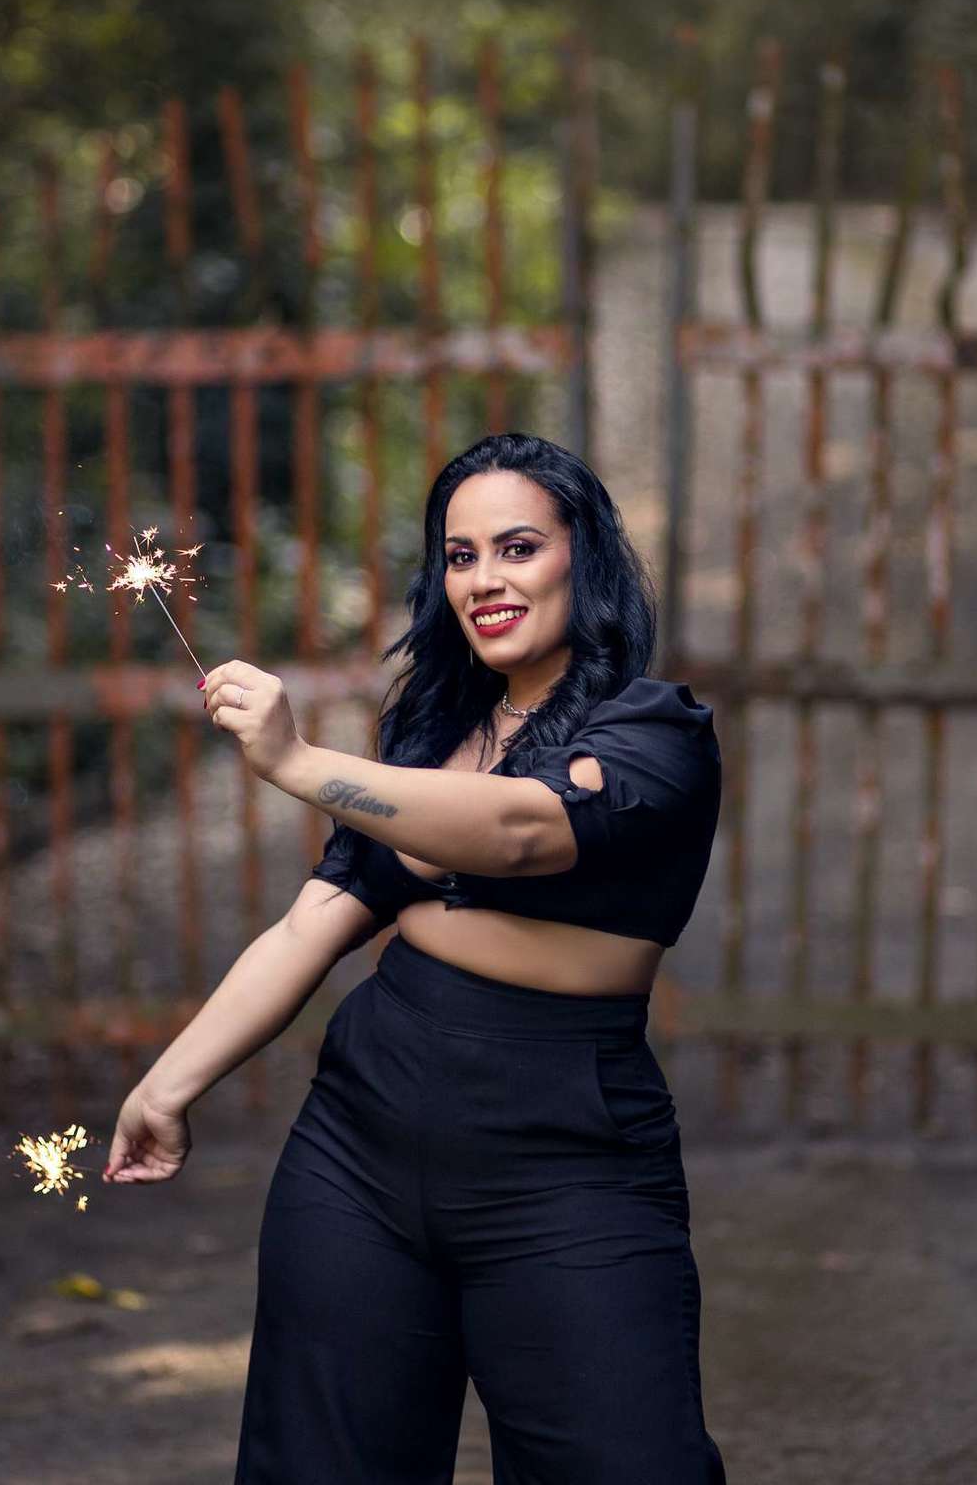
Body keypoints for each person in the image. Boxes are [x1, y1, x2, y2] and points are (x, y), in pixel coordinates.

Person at [103, 430, 726, 1484]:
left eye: (518, 547)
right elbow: (315, 922)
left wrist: (298, 762)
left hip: (566, 1153)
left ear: (588, 555)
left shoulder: (655, 731)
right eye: (460, 555)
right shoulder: (435, 739)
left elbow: (523, 831)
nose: (485, 579)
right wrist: (168, 1084)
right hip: (361, 1145)